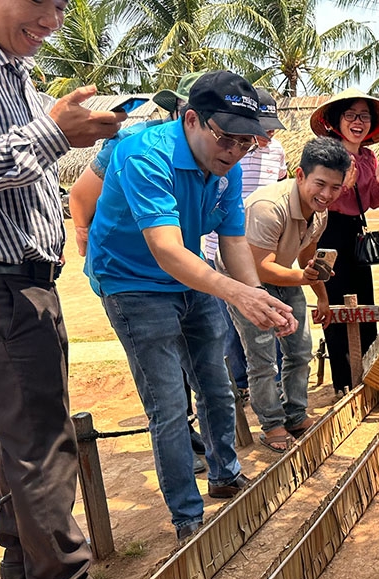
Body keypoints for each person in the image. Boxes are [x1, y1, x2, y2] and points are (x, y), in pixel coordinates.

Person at [0, 0, 124, 579]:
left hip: (19, 279)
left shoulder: (10, 66)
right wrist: (51, 133)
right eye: (44, 3)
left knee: (25, 430)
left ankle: (21, 558)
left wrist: (73, 127)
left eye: (63, 7)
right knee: (40, 439)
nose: (54, 20)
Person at [88, 71, 298, 544]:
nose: (236, 151)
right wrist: (237, 293)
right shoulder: (144, 155)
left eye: (247, 142)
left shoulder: (230, 167)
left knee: (218, 385)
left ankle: (225, 474)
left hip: (195, 278)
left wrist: (256, 295)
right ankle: (187, 516)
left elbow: (233, 240)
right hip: (133, 284)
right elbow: (165, 249)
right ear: (192, 120)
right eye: (227, 138)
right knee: (167, 404)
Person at [69, 71, 210, 476]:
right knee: (163, 377)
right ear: (180, 113)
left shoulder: (216, 152)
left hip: (180, 272)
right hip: (131, 276)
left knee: (193, 365)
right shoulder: (132, 145)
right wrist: (85, 238)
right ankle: (184, 447)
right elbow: (81, 196)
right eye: (189, 111)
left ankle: (194, 444)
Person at [227, 139, 348, 452]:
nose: (327, 194)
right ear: (300, 175)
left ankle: (294, 414)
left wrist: (321, 295)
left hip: (282, 273)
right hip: (245, 281)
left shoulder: (320, 213)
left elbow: (307, 252)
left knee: (299, 349)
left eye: (335, 187)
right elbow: (258, 268)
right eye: (320, 184)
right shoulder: (269, 207)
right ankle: (272, 423)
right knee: (263, 356)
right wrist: (302, 277)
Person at [310, 88, 379, 394]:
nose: (358, 122)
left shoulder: (369, 157)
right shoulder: (329, 154)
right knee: (334, 305)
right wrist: (344, 186)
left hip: (356, 233)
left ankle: (368, 374)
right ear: (337, 120)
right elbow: (321, 198)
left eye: (364, 116)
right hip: (328, 232)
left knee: (364, 302)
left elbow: (372, 202)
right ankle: (343, 382)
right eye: (351, 115)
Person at [202, 87, 290, 394]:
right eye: (259, 129)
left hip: (260, 247)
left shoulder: (276, 151)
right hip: (224, 246)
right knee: (232, 322)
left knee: (265, 312)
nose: (264, 135)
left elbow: (280, 189)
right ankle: (240, 383)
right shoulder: (233, 153)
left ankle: (272, 381)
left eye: (269, 129)